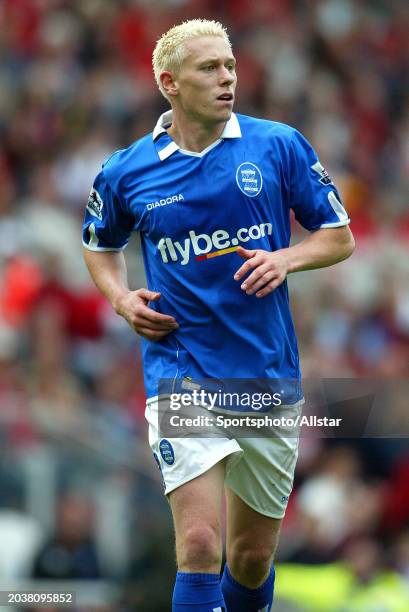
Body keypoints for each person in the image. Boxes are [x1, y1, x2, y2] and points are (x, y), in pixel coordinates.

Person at [82, 18, 355, 612]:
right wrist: (122, 298)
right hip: (180, 371)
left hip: (264, 374)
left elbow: (338, 237)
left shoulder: (277, 144)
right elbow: (99, 243)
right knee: (201, 542)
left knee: (252, 559)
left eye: (229, 65)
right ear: (169, 82)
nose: (227, 77)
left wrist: (286, 258)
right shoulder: (127, 170)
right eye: (209, 68)